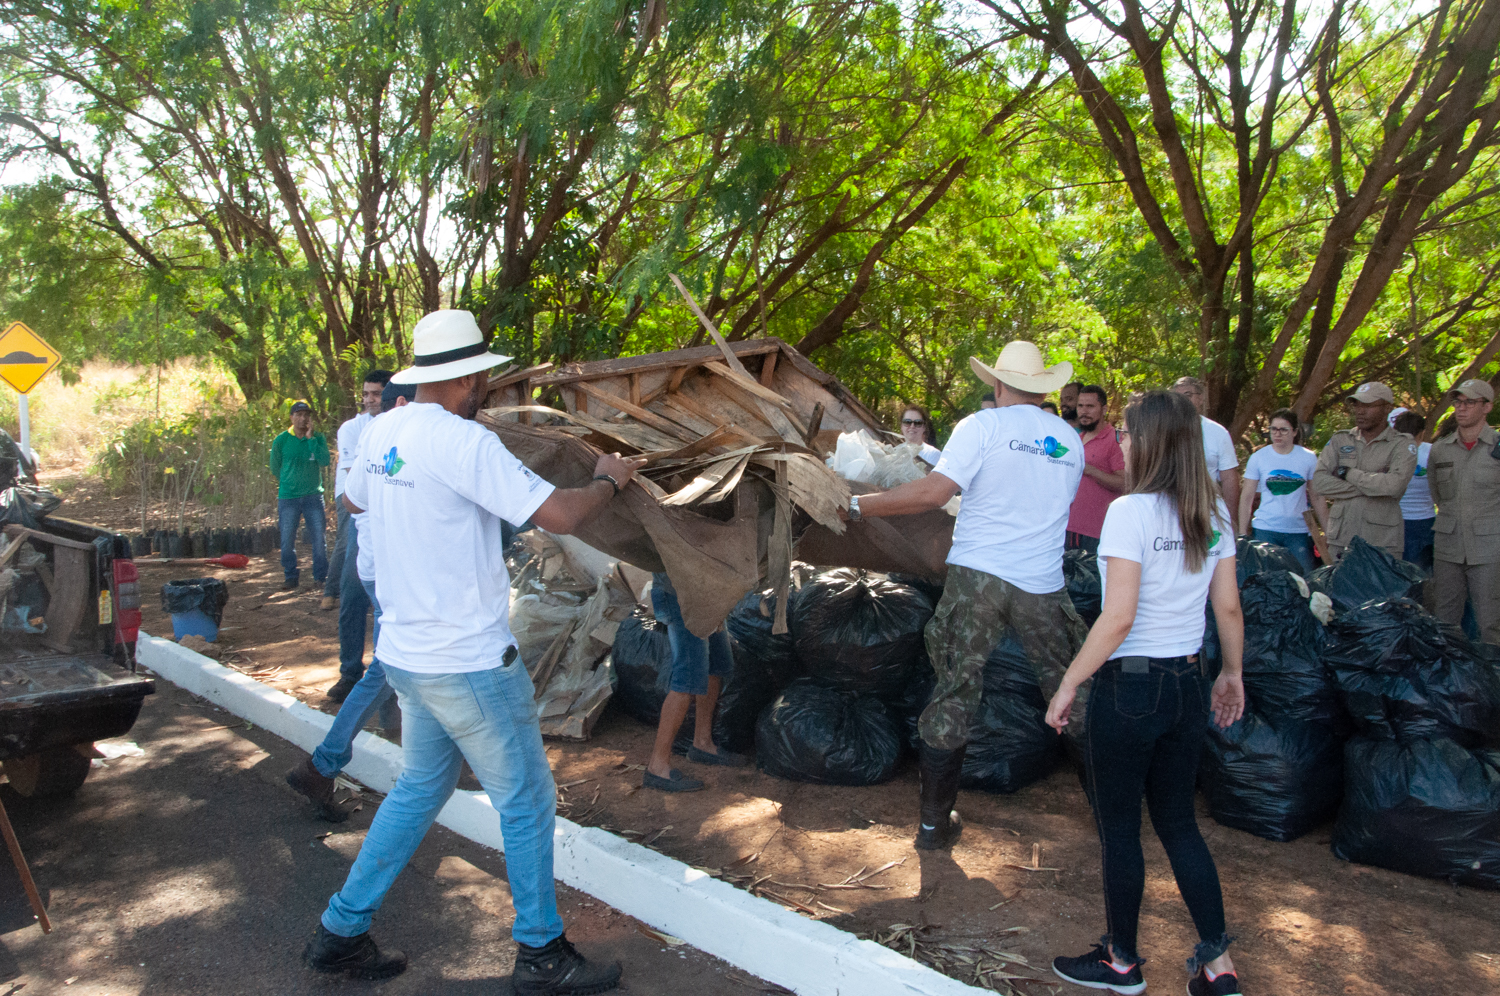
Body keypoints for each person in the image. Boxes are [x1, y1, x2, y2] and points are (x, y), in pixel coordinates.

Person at [303, 310, 643, 993]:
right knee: (524, 800)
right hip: (467, 659)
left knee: (421, 785)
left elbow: (354, 500)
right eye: (484, 373)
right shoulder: (466, 444)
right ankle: (542, 953)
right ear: (470, 377)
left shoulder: (381, 431)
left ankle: (340, 931)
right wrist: (610, 477)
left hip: (405, 652)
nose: (487, 382)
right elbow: (564, 516)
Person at [839, 340, 1088, 851]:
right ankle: (1112, 815)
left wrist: (858, 505)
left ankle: (932, 826)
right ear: (1042, 388)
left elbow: (935, 493)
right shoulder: (1069, 439)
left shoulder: (983, 426)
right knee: (1070, 694)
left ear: (996, 383)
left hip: (977, 577)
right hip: (1040, 581)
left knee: (955, 690)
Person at [1045, 390, 1246, 996]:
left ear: (1154, 442)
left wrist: (1068, 681)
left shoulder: (1130, 512)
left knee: (1119, 830)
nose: (1121, 441)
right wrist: (1231, 674)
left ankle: (1122, 963)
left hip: (1131, 689)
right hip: (1189, 682)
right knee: (1180, 825)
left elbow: (1118, 618)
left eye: (1130, 434)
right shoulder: (1214, 516)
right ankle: (1217, 965)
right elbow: (1229, 607)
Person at [286, 381, 416, 820]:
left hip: (381, 568)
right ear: (404, 404)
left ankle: (333, 761)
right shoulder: (386, 439)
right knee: (385, 669)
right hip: (391, 575)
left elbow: (351, 500)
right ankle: (323, 763)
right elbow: (354, 504)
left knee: (396, 668)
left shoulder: (378, 444)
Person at [642, 573, 748, 792]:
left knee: (716, 666)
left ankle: (702, 743)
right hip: (679, 595)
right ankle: (657, 766)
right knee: (687, 678)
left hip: (706, 594)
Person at [1310, 381, 1417, 561]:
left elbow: (1394, 486)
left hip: (1381, 540)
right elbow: (1320, 483)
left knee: (1380, 589)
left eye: (1368, 405)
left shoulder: (1402, 444)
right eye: (1357, 405)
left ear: (1387, 408)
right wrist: (1374, 485)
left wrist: (1348, 474)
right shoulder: (1340, 440)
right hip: (1341, 538)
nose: (1360, 411)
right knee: (1339, 589)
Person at [1429, 379, 1500, 644]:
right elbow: (1437, 493)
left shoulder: (1497, 447)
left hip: (1490, 547)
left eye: (1469, 402)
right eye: (1458, 402)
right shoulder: (1440, 449)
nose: (1461, 408)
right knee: (1444, 620)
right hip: (1449, 544)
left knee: (1491, 621)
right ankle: (1449, 680)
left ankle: (1493, 679)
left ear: (1487, 407)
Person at [323, 370, 393, 611]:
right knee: (347, 548)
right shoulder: (352, 428)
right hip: (353, 500)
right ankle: (332, 592)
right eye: (365, 394)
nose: (369, 399)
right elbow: (355, 475)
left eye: (376, 394)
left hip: (383, 502)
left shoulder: (397, 425)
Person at [1237, 408, 1325, 575]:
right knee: (1264, 579)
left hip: (1298, 531)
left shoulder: (1308, 457)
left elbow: (1317, 496)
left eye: (1283, 430)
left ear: (1294, 432)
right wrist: (1242, 533)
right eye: (1273, 429)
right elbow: (1247, 496)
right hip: (1266, 528)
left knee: (1304, 579)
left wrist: (1327, 532)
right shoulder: (1259, 457)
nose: (1277, 434)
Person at [271, 400, 330, 591]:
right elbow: (275, 466)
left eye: (306, 415)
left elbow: (325, 461)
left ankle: (320, 577)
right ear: (291, 417)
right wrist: (288, 482)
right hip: (288, 498)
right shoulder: (281, 440)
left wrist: (311, 440)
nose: (303, 419)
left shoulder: (318, 438)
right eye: (299, 415)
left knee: (319, 540)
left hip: (313, 496)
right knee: (287, 540)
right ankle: (290, 576)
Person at [1065, 385, 1126, 555]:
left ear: (1104, 409)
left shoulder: (1116, 440)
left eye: (1090, 406)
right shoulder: (1075, 439)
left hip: (1098, 533)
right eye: (1080, 406)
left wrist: (1090, 470)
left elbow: (1125, 483)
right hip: (1068, 528)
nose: (1084, 411)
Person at [1171, 377, 1242, 519]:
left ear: (1201, 398)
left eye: (1188, 395)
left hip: (1207, 511)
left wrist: (1231, 519)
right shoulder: (1163, 430)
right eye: (1177, 397)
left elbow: (1229, 479)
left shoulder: (1218, 432)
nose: (1183, 401)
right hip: (1172, 510)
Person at [1392, 409, 1436, 572]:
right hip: (1424, 519)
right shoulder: (1433, 451)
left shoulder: (1388, 453)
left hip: (1399, 520)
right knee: (1420, 574)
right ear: (1422, 433)